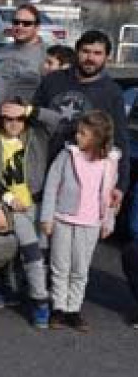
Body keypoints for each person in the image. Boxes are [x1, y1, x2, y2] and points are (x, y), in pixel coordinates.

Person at [5, 30, 130, 210]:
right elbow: (31, 119)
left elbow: (119, 139)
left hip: (80, 176)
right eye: (85, 51)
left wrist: (121, 184)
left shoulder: (112, 92)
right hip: (40, 166)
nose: (90, 58)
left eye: (97, 53)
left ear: (107, 57)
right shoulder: (54, 80)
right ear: (77, 52)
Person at [40, 110, 120, 332]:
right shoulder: (67, 155)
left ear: (97, 137)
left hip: (90, 223)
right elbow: (51, 185)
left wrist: (108, 222)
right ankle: (58, 308)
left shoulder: (110, 162)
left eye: (83, 133)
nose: (77, 136)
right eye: (78, 132)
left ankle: (73, 310)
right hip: (63, 219)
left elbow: (109, 195)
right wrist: (47, 217)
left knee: (80, 269)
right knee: (59, 266)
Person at [0, 97, 50, 326]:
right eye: (8, 119)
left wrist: (29, 109)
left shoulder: (37, 138)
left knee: (43, 255)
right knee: (31, 253)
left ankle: (24, 292)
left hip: (40, 205)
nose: (14, 123)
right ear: (1, 120)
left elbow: (59, 120)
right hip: (15, 209)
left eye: (19, 118)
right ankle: (41, 303)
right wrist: (6, 197)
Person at [0, 3, 45, 133]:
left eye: (26, 23)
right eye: (16, 22)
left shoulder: (45, 56)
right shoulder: (3, 51)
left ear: (37, 27)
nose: (20, 27)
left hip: (22, 132)